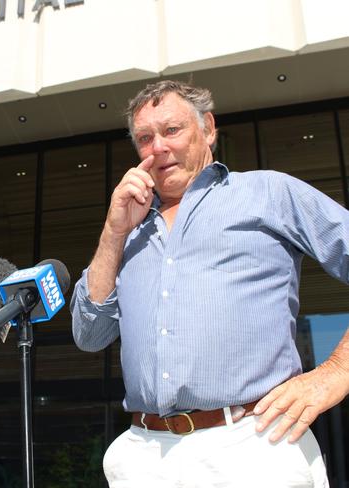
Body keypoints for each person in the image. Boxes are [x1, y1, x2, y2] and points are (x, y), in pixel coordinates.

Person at [71, 80, 349, 487]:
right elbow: (89, 335)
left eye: (172, 130)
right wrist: (113, 233)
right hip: (143, 454)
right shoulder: (127, 232)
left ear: (209, 129)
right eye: (145, 138)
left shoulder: (269, 192)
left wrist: (337, 371)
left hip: (253, 445)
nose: (158, 147)